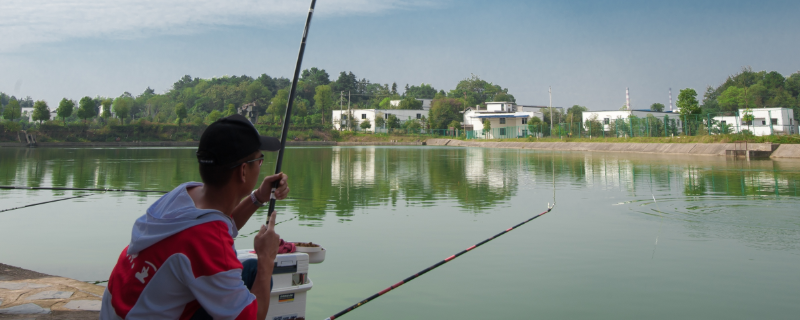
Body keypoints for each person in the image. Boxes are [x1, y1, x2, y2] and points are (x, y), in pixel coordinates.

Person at [101, 114, 290, 320]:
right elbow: (251, 318)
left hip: (117, 311)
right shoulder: (206, 238)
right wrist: (266, 258)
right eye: (259, 160)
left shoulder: (184, 194)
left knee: (250, 270)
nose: (261, 165)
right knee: (259, 271)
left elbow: (222, 224)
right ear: (244, 171)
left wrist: (259, 197)